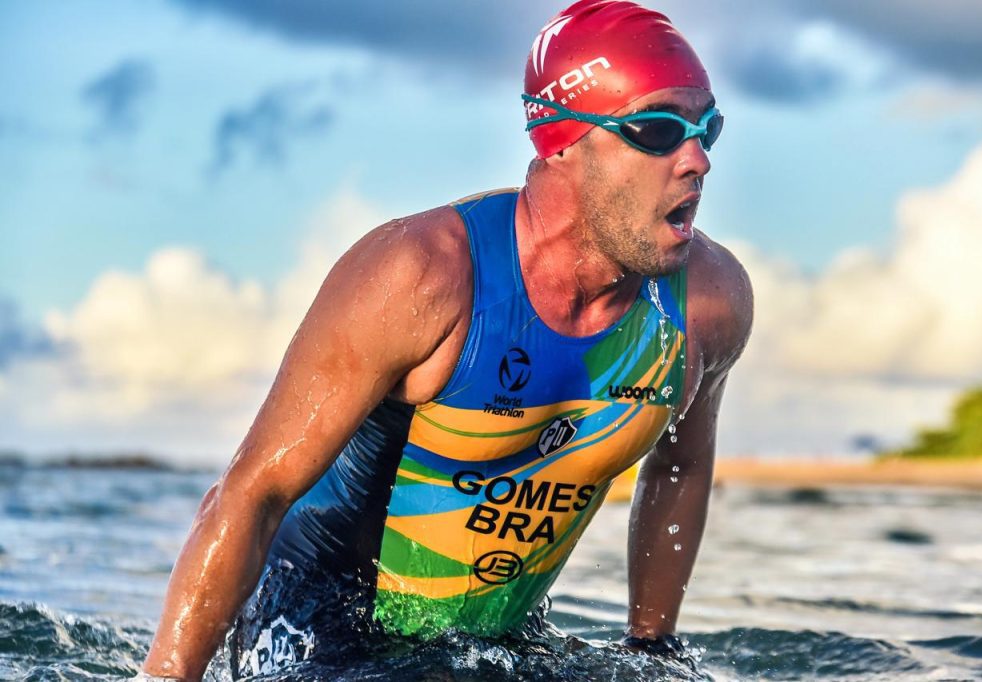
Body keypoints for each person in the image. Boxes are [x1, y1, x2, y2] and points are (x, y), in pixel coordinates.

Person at [143, 0, 753, 678]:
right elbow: (251, 493)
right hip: (315, 637)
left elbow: (680, 467)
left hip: (493, 650)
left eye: (707, 128)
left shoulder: (706, 305)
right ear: (561, 140)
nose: (698, 160)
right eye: (658, 129)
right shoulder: (421, 276)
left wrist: (650, 650)